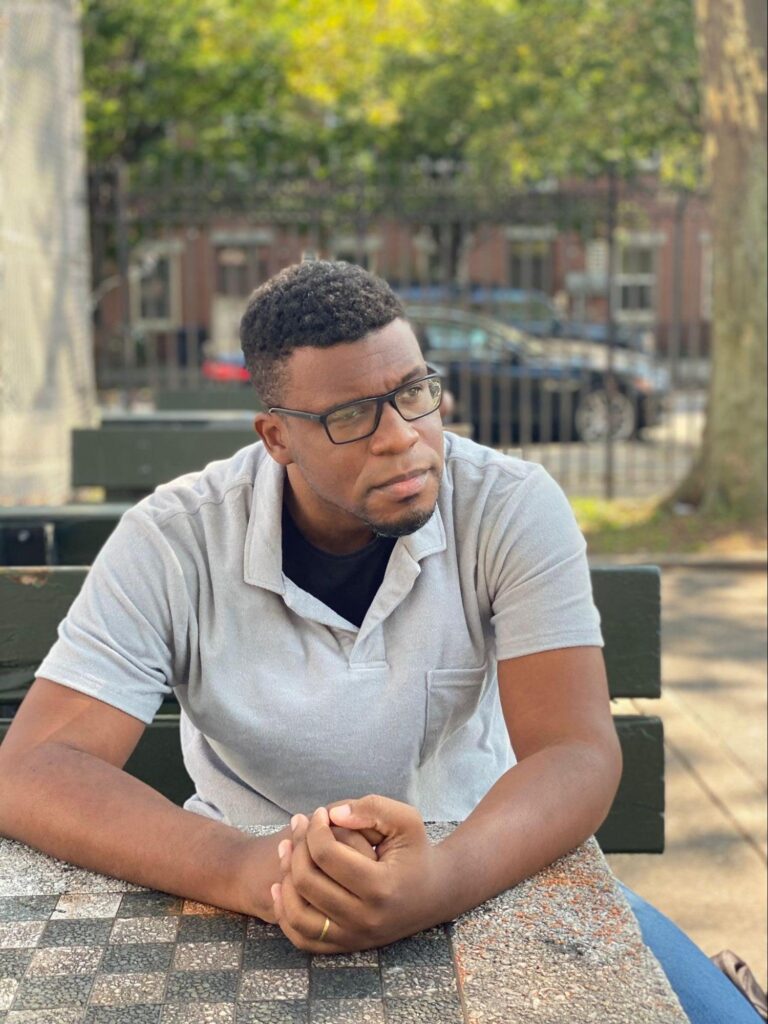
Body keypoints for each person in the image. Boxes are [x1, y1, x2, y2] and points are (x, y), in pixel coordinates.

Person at [0, 261, 760, 1023]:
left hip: (487, 867)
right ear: (277, 438)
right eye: (351, 416)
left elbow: (576, 751)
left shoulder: (507, 507)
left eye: (413, 393)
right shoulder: (177, 539)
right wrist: (245, 868)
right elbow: (32, 769)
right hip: (241, 897)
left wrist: (437, 881)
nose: (403, 439)